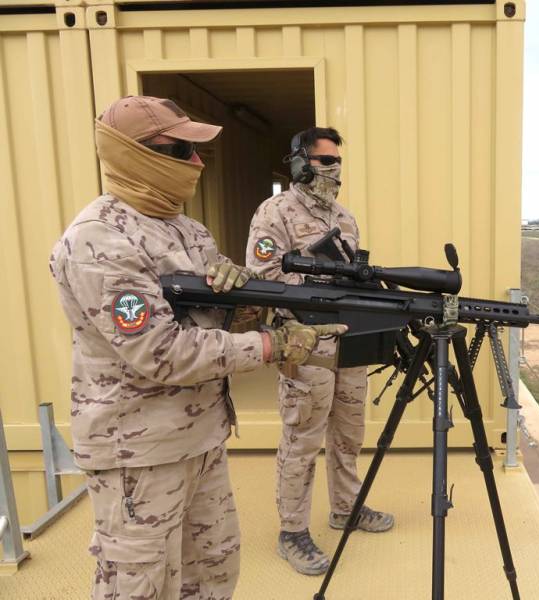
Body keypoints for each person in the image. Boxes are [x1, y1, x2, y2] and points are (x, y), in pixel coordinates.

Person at [49, 96, 346, 599]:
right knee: (139, 585)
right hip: (139, 453)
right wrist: (274, 344)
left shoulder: (188, 231)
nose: (198, 163)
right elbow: (163, 352)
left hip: (201, 437)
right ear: (138, 154)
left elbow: (220, 321)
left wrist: (248, 302)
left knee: (212, 573)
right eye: (184, 150)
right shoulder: (99, 240)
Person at [246, 127, 394, 577]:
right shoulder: (275, 213)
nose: (333, 170)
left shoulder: (344, 218)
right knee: (303, 439)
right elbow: (262, 275)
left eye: (337, 162)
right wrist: (320, 288)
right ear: (298, 162)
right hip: (304, 344)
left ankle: (346, 509)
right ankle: (292, 532)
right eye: (324, 161)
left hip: (349, 340)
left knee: (349, 434)